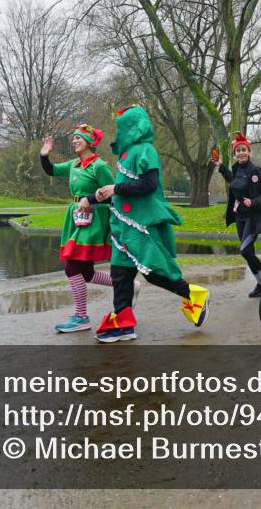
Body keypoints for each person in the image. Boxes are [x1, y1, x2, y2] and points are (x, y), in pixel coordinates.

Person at [93, 105, 208, 343]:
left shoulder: (146, 150)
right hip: (123, 226)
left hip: (140, 226)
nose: (120, 131)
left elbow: (148, 185)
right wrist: (105, 195)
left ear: (134, 127)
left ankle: (194, 295)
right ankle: (123, 322)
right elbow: (125, 188)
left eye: (123, 125)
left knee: (154, 272)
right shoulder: (126, 154)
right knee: (120, 274)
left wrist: (116, 189)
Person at [40, 124, 121, 333]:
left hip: (94, 219)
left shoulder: (99, 166)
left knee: (71, 268)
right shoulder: (73, 164)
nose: (74, 141)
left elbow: (112, 194)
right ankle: (127, 286)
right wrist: (44, 154)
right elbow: (51, 170)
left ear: (89, 142)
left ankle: (82, 317)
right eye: (74, 138)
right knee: (86, 273)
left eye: (79, 138)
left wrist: (91, 200)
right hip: (76, 217)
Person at [213, 132, 261, 298]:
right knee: (249, 253)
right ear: (234, 153)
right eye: (238, 150)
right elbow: (234, 180)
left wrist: (253, 202)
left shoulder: (256, 171)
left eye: (243, 150)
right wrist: (220, 166)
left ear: (249, 151)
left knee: (245, 250)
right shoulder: (236, 168)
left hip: (253, 219)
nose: (240, 153)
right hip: (240, 218)